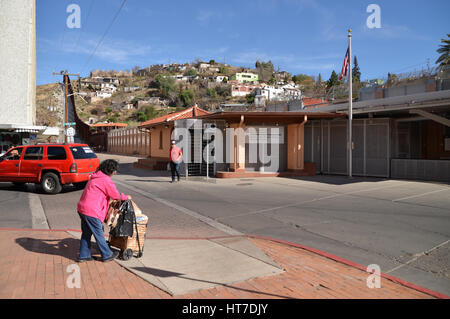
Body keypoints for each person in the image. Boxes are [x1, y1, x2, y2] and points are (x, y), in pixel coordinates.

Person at [76, 159, 131, 262]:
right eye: (115, 170)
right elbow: (115, 195)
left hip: (82, 208)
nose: (115, 173)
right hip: (91, 211)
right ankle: (107, 254)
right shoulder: (105, 179)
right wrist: (126, 197)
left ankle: (84, 255)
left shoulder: (96, 175)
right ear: (110, 170)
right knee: (99, 232)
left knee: (86, 233)